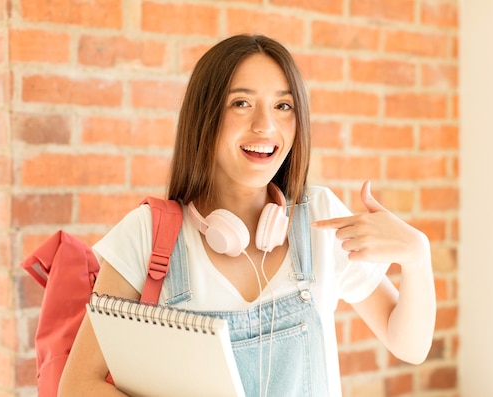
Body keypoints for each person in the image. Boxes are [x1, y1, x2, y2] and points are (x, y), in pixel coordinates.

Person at [58, 34, 436, 396]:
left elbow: (410, 346)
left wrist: (417, 257)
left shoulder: (320, 218)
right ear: (205, 115)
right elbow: (77, 387)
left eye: (282, 106)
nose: (265, 125)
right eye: (241, 103)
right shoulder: (148, 235)